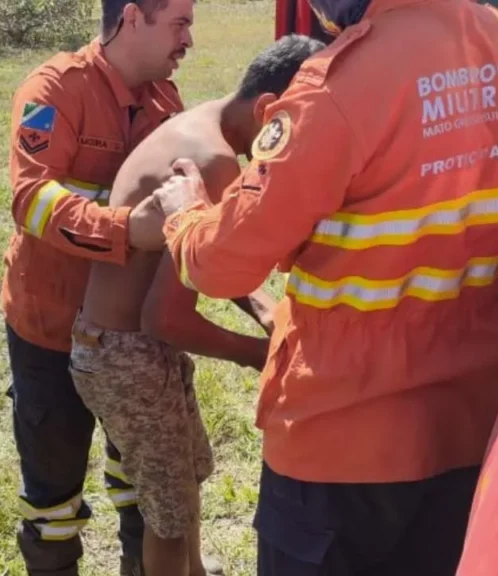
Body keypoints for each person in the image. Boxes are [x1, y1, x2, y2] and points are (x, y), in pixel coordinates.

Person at [130, 0, 498, 574]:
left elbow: (221, 267)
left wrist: (186, 213)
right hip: (464, 424)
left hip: (336, 438)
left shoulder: (338, 86)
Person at [70, 33, 326, 576]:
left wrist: (259, 306)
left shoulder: (204, 125)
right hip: (127, 356)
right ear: (267, 109)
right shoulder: (213, 163)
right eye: (293, 130)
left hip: (124, 350)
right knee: (167, 516)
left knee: (184, 487)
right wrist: (259, 354)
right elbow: (165, 319)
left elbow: (194, 255)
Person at [0, 0, 198, 573]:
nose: (189, 40)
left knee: (142, 483)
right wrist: (125, 227)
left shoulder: (166, 102)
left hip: (130, 336)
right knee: (53, 498)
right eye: (179, 24)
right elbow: (31, 198)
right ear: (133, 17)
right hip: (51, 328)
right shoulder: (54, 91)